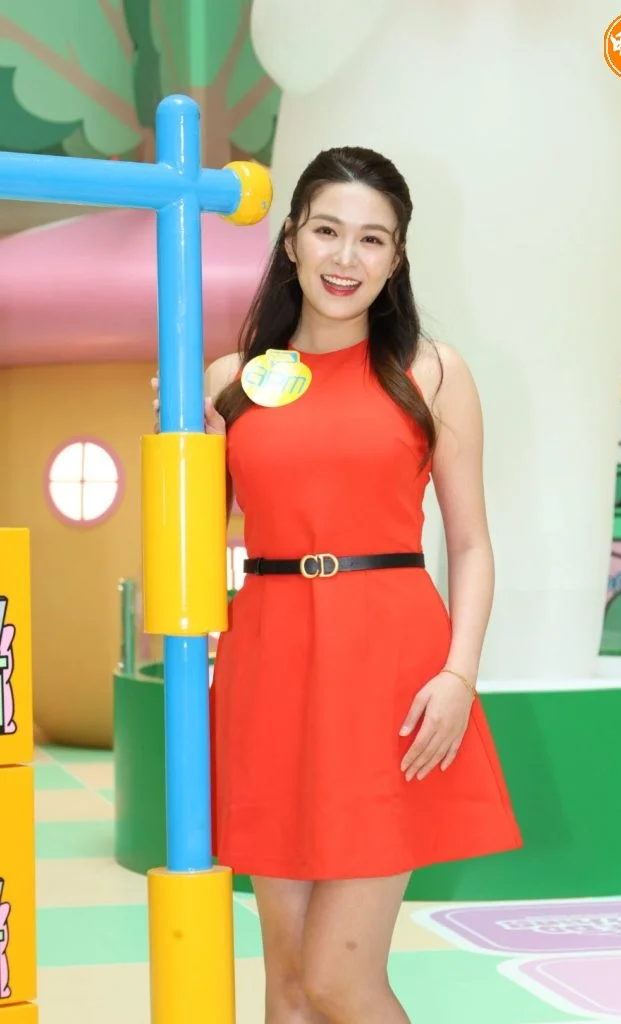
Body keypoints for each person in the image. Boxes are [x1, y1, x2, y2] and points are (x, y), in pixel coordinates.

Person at [153, 146, 521, 1024]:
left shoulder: (431, 372)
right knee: (286, 988)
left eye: (371, 238)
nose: (345, 257)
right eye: (327, 230)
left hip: (388, 675)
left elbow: (470, 544)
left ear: (396, 258)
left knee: (336, 982)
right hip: (267, 670)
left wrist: (458, 674)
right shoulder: (229, 384)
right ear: (290, 240)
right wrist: (174, 444)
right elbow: (190, 547)